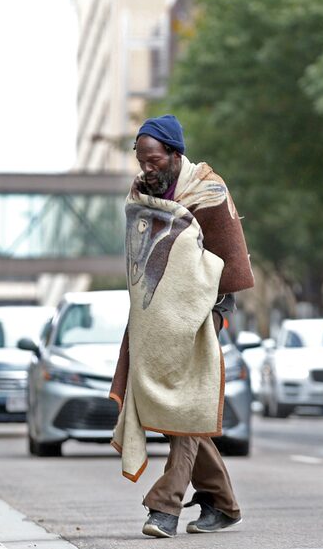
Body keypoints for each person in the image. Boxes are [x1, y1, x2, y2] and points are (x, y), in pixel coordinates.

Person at [109, 114, 255, 538]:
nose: (146, 168)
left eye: (153, 159)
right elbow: (140, 264)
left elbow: (228, 263)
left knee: (188, 397)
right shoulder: (140, 197)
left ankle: (165, 507)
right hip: (154, 315)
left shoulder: (209, 192)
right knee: (178, 405)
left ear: (175, 154)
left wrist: (198, 289)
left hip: (204, 311)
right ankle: (223, 504)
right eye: (140, 160)